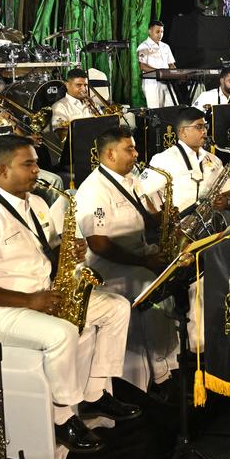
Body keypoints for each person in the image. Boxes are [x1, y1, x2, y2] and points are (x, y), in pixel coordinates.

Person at [0, 135, 140, 453]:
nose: (37, 170)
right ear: (2, 171)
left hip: (43, 295)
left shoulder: (36, 203)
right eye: (28, 164)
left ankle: (95, 395)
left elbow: (48, 252)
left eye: (37, 163)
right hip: (2, 310)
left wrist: (68, 251)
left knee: (116, 308)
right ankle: (62, 418)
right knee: (63, 333)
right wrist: (29, 301)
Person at [73, 127, 181, 392]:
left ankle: (173, 360)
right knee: (155, 290)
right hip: (108, 270)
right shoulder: (94, 191)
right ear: (110, 154)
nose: (136, 154)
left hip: (138, 254)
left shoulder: (130, 178)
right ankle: (160, 374)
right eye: (129, 149)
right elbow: (99, 245)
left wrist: (162, 218)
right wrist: (143, 262)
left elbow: (143, 214)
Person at [142, 107, 230, 214]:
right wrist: (158, 220)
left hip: (211, 225)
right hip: (179, 226)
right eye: (199, 127)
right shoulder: (163, 160)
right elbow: (139, 193)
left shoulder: (213, 159)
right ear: (183, 132)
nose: (204, 131)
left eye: (205, 126)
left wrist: (226, 201)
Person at [137, 20, 177, 109]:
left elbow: (171, 64)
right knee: (156, 111)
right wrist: (159, 73)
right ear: (150, 31)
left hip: (167, 82)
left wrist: (175, 73)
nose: (160, 34)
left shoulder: (166, 47)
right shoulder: (143, 47)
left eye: (162, 32)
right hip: (152, 83)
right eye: (157, 31)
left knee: (172, 108)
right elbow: (142, 66)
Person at [50, 69, 99, 135]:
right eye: (79, 85)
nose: (84, 89)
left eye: (85, 85)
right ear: (67, 85)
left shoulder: (92, 104)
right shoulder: (59, 107)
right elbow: (61, 133)